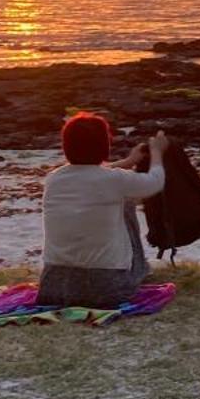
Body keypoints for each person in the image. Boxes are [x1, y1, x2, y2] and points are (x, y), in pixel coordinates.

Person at [38, 113, 170, 308]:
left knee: (116, 198)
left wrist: (128, 161)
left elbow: (91, 177)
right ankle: (140, 268)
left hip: (54, 286)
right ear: (104, 145)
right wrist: (157, 152)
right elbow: (155, 182)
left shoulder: (53, 179)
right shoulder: (114, 180)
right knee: (125, 203)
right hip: (106, 287)